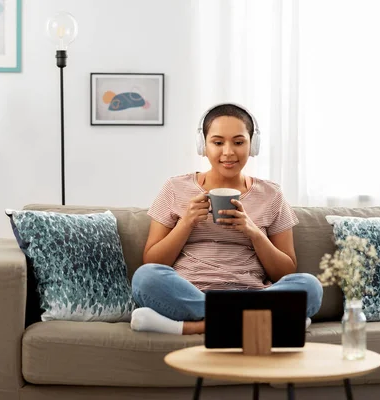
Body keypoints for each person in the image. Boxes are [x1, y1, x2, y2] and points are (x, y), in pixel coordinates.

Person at [130, 103, 323, 335]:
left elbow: (285, 272)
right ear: (203, 145)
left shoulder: (271, 194)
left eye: (239, 142)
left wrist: (253, 232)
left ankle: (195, 327)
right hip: (190, 292)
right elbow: (152, 262)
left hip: (253, 293)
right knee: (145, 278)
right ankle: (263, 321)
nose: (228, 152)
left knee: (310, 286)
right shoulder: (174, 188)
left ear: (253, 145)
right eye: (218, 142)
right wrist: (186, 223)